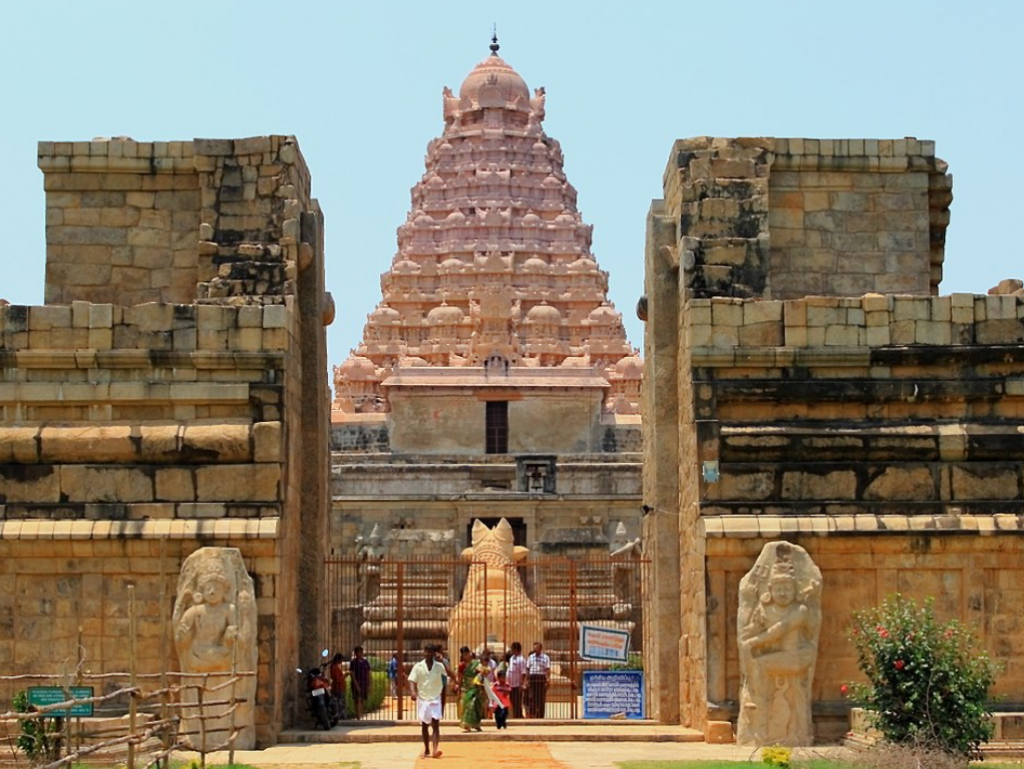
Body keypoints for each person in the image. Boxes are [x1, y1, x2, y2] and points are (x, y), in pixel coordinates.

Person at [408, 643, 451, 759]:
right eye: (427, 651)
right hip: (423, 698)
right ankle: (427, 748)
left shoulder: (439, 666)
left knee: (435, 724)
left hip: (435, 697)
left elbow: (449, 674)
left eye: (431, 652)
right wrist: (412, 692)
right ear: (424, 652)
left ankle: (435, 749)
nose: (429, 654)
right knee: (424, 725)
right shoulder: (418, 666)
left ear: (434, 653)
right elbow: (412, 680)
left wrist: (444, 661)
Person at [457, 646, 484, 732]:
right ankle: (466, 725)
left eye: (466, 654)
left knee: (476, 706)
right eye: (463, 655)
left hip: (475, 687)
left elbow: (481, 675)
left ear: (469, 653)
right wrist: (459, 689)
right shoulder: (462, 666)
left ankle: (476, 724)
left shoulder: (476, 664)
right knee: (468, 706)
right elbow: (460, 678)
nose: (465, 656)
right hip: (466, 688)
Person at [526, 641, 550, 718]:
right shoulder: (531, 657)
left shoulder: (545, 657)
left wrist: (548, 679)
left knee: (541, 697)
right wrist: (527, 680)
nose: (535, 649)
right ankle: (532, 714)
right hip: (532, 677)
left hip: (541, 677)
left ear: (540, 648)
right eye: (534, 648)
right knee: (532, 697)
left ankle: (540, 715)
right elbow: (527, 669)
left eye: (536, 648)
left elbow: (547, 669)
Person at [506, 641, 527, 719]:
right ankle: (514, 716)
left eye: (512, 649)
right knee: (512, 701)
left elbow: (523, 673)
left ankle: (519, 716)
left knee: (517, 702)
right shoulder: (512, 658)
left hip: (517, 684)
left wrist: (522, 684)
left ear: (516, 649)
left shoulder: (521, 659)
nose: (511, 650)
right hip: (511, 684)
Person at [350, 645, 371, 719]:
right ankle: (358, 716)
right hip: (357, 683)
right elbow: (352, 674)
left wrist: (369, 684)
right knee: (357, 699)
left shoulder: (365, 662)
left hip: (364, 682)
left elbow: (368, 673)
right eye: (359, 652)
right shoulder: (353, 662)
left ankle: (360, 714)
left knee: (362, 700)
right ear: (355, 653)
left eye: (361, 652)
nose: (360, 653)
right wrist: (356, 684)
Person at [329, 653, 348, 719]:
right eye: (341, 660)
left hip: (337, 687)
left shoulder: (334, 666)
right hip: (338, 688)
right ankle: (341, 717)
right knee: (341, 703)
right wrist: (344, 675)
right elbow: (337, 679)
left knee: (339, 703)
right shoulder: (335, 667)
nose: (341, 661)